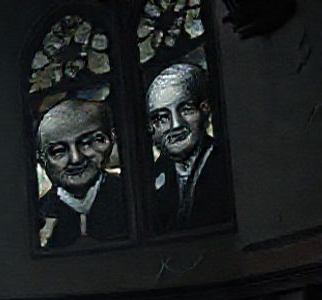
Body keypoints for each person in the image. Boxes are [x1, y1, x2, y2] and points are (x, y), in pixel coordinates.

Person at [146, 63, 231, 233]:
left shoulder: (227, 165)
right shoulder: (152, 178)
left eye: (186, 110)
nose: (176, 125)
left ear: (205, 110)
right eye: (163, 118)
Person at [36, 99, 128, 249]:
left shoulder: (129, 196)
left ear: (109, 141)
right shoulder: (39, 213)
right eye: (59, 151)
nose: (76, 158)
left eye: (86, 143)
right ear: (42, 160)